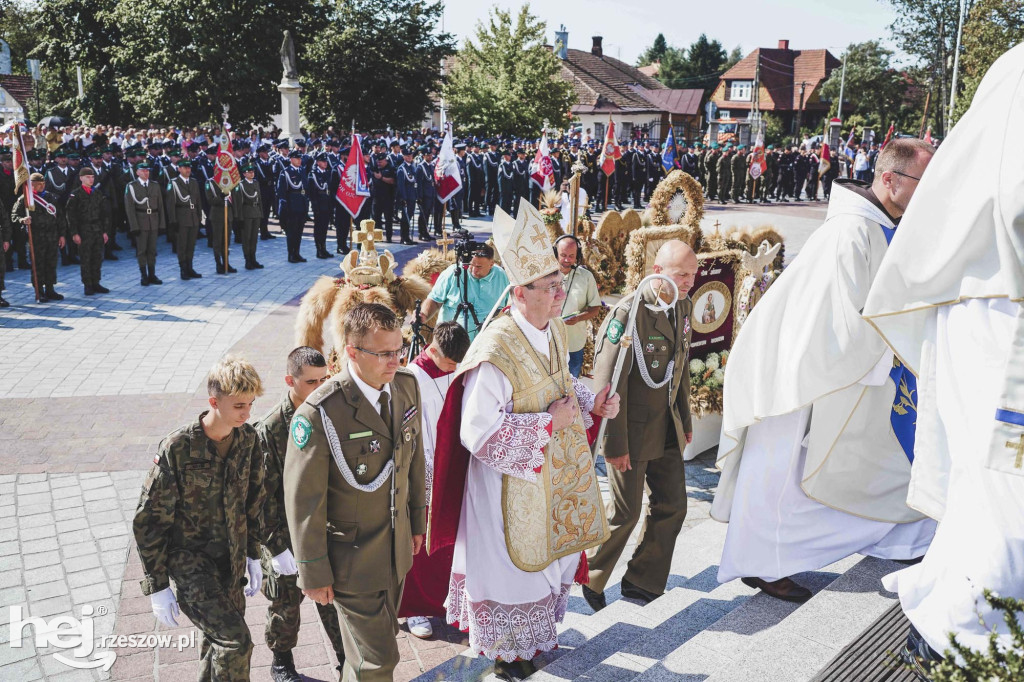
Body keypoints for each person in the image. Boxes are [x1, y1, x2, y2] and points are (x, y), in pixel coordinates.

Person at [710, 138, 938, 602]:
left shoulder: (876, 225)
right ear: (890, 179)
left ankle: (896, 539)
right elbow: (843, 323)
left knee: (862, 465)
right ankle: (761, 562)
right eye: (922, 180)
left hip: (824, 367)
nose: (929, 191)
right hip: (797, 374)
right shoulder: (851, 232)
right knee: (779, 474)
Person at [862, 44, 1024, 672]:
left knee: (988, 488)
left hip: (989, 297)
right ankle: (965, 627)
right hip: (1001, 305)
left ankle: (956, 615)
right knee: (1001, 489)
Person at [428, 202, 620, 681]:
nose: (561, 294)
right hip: (502, 490)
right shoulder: (495, 350)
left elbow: (556, 385)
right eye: (551, 286)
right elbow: (477, 431)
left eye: (559, 284)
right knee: (512, 572)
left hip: (545, 479)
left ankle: (530, 643)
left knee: (545, 564)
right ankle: (506, 654)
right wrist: (547, 427)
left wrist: (589, 401)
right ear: (519, 292)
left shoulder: (551, 328)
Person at [284, 303, 426, 682]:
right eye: (383, 353)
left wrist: (417, 520)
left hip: (394, 551)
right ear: (352, 351)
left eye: (399, 349)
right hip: (351, 560)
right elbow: (304, 500)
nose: (394, 361)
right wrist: (312, 571)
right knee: (378, 662)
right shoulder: (320, 413)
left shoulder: (406, 386)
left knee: (363, 658)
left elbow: (414, 460)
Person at [133, 356, 266, 681]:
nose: (246, 413)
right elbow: (149, 520)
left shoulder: (248, 439)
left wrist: (253, 554)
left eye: (250, 404)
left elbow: (255, 499)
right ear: (213, 401)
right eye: (238, 405)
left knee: (217, 645)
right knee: (236, 644)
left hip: (231, 564)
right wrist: (157, 585)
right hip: (191, 565)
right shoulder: (178, 448)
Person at [583, 240, 697, 612]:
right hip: (630, 432)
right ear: (658, 269)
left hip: (665, 428)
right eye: (682, 274)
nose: (689, 281)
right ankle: (592, 578)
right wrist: (615, 446)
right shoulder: (628, 313)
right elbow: (607, 384)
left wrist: (685, 419)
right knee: (626, 513)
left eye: (693, 274)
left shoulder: (682, 304)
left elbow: (679, 369)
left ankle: (642, 579)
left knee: (674, 505)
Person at [256, 347, 346, 682]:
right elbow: (262, 498)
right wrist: (277, 547)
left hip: (320, 526)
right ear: (289, 381)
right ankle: (282, 662)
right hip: (281, 531)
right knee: (285, 603)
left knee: (331, 599)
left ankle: (344, 660)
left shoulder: (330, 414)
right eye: (311, 382)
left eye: (324, 379)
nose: (320, 387)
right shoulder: (270, 429)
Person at [401, 321, 472, 639]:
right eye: (449, 363)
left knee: (449, 542)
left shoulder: (459, 369)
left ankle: (450, 603)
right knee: (421, 542)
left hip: (455, 466)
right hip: (425, 470)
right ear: (432, 349)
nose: (454, 368)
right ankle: (415, 610)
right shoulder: (411, 378)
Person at [420, 243, 510, 341]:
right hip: (452, 340)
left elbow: (509, 305)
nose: (474, 270)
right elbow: (435, 300)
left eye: (479, 267)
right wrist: (423, 315)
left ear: (491, 264)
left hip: (488, 340)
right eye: (472, 265)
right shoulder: (454, 273)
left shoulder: (501, 275)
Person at [554, 235, 603, 377]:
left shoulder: (586, 277)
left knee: (571, 390)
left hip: (574, 344)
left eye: (571, 256)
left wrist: (579, 318)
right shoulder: (546, 275)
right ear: (555, 253)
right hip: (549, 342)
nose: (567, 260)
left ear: (578, 256)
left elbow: (595, 308)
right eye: (563, 255)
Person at [11, 173, 65, 301]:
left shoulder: (51, 197)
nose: (42, 186)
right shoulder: (25, 199)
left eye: (43, 183)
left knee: (51, 263)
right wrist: (23, 220)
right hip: (35, 237)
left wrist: (62, 235)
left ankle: (50, 289)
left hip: (52, 236)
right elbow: (14, 216)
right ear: (31, 185)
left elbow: (61, 218)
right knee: (38, 264)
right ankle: (39, 291)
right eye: (38, 183)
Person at [65, 166, 111, 295]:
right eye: (87, 177)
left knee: (97, 257)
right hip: (83, 229)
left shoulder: (97, 193)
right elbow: (71, 215)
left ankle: (96, 282)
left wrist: (104, 231)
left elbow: (103, 214)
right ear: (81, 178)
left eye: (92, 177)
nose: (91, 179)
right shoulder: (76, 194)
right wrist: (74, 233)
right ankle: (88, 284)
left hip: (97, 229)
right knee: (86, 258)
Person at [125, 161, 166, 286]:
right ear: (137, 172)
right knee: (142, 250)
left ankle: (152, 274)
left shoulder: (155, 185)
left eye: (147, 170)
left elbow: (160, 206)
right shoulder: (132, 186)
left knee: (152, 249)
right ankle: (144, 275)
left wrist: (162, 224)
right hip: (140, 221)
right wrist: (134, 226)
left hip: (153, 220)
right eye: (143, 170)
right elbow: (129, 208)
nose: (145, 172)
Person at [164, 158, 204, 280]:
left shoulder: (193, 182)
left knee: (191, 244)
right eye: (185, 168)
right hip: (181, 217)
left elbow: (198, 201)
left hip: (192, 217)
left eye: (189, 168)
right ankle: (183, 269)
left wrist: (199, 216)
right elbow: (170, 204)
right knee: (182, 245)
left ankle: (190, 267)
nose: (187, 170)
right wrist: (173, 220)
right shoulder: (174, 183)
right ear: (179, 169)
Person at [277, 150, 309, 262]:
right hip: (291, 206)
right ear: (291, 159)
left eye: (300, 158)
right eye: (297, 158)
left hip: (301, 205)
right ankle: (291, 254)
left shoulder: (302, 171)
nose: (299, 160)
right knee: (291, 232)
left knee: (299, 232)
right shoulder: (285, 172)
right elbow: (281, 192)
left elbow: (305, 188)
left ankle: (297, 253)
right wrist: (284, 208)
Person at [233, 164, 264, 269]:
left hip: (256, 212)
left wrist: (261, 213)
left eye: (252, 172)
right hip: (246, 213)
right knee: (247, 238)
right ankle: (247, 260)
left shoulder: (256, 183)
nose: (252, 173)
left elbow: (259, 199)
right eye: (249, 172)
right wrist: (239, 218)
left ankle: (253, 258)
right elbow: (238, 203)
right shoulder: (240, 185)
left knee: (254, 238)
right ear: (244, 174)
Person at [205, 176, 237, 273]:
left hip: (228, 215)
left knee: (226, 241)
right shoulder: (210, 182)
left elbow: (234, 198)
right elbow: (210, 200)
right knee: (217, 241)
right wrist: (221, 197)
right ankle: (218, 264)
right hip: (217, 215)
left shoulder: (229, 180)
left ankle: (226, 262)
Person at [307, 153, 334, 258]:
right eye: (323, 161)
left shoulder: (327, 173)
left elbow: (330, 190)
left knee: (325, 227)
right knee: (319, 228)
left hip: (326, 203)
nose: (325, 163)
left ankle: (324, 248)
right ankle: (319, 250)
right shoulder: (313, 174)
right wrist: (315, 206)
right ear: (318, 162)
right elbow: (312, 193)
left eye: (326, 161)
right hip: (318, 204)